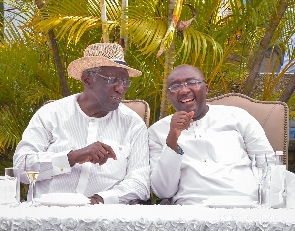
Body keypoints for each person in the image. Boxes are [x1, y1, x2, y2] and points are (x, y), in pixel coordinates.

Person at [13, 43, 150, 204]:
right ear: (87, 79)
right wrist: (72, 157)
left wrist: (98, 200)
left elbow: (141, 182)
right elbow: (21, 168)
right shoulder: (51, 114)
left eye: (125, 82)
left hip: (104, 219)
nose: (121, 88)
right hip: (46, 215)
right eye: (113, 80)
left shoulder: (133, 124)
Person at [148, 64, 275, 205]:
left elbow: (268, 166)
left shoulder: (238, 117)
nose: (184, 90)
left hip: (246, 208)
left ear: (206, 89)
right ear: (169, 95)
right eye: (175, 86)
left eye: (192, 83)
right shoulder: (156, 132)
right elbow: (163, 191)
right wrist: (172, 139)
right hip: (190, 214)